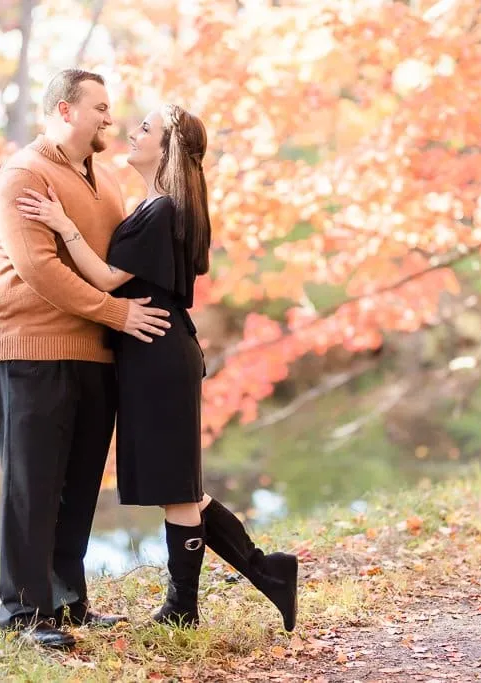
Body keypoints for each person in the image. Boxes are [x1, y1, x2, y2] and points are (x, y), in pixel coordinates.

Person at [17, 104, 299, 631]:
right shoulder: (153, 205)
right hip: (151, 353)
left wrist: (60, 223)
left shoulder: (163, 209)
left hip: (158, 355)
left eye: (146, 129)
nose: (131, 132)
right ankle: (265, 574)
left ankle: (185, 608)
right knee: (177, 483)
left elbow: (104, 280)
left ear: (167, 148)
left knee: (176, 485)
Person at [0, 69, 173, 649]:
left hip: (93, 353)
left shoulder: (107, 181)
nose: (109, 119)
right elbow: (40, 272)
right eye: (100, 108)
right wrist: (118, 316)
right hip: (30, 349)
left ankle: (67, 603)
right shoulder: (23, 175)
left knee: (79, 483)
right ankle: (22, 614)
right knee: (31, 484)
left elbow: (113, 260)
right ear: (66, 111)